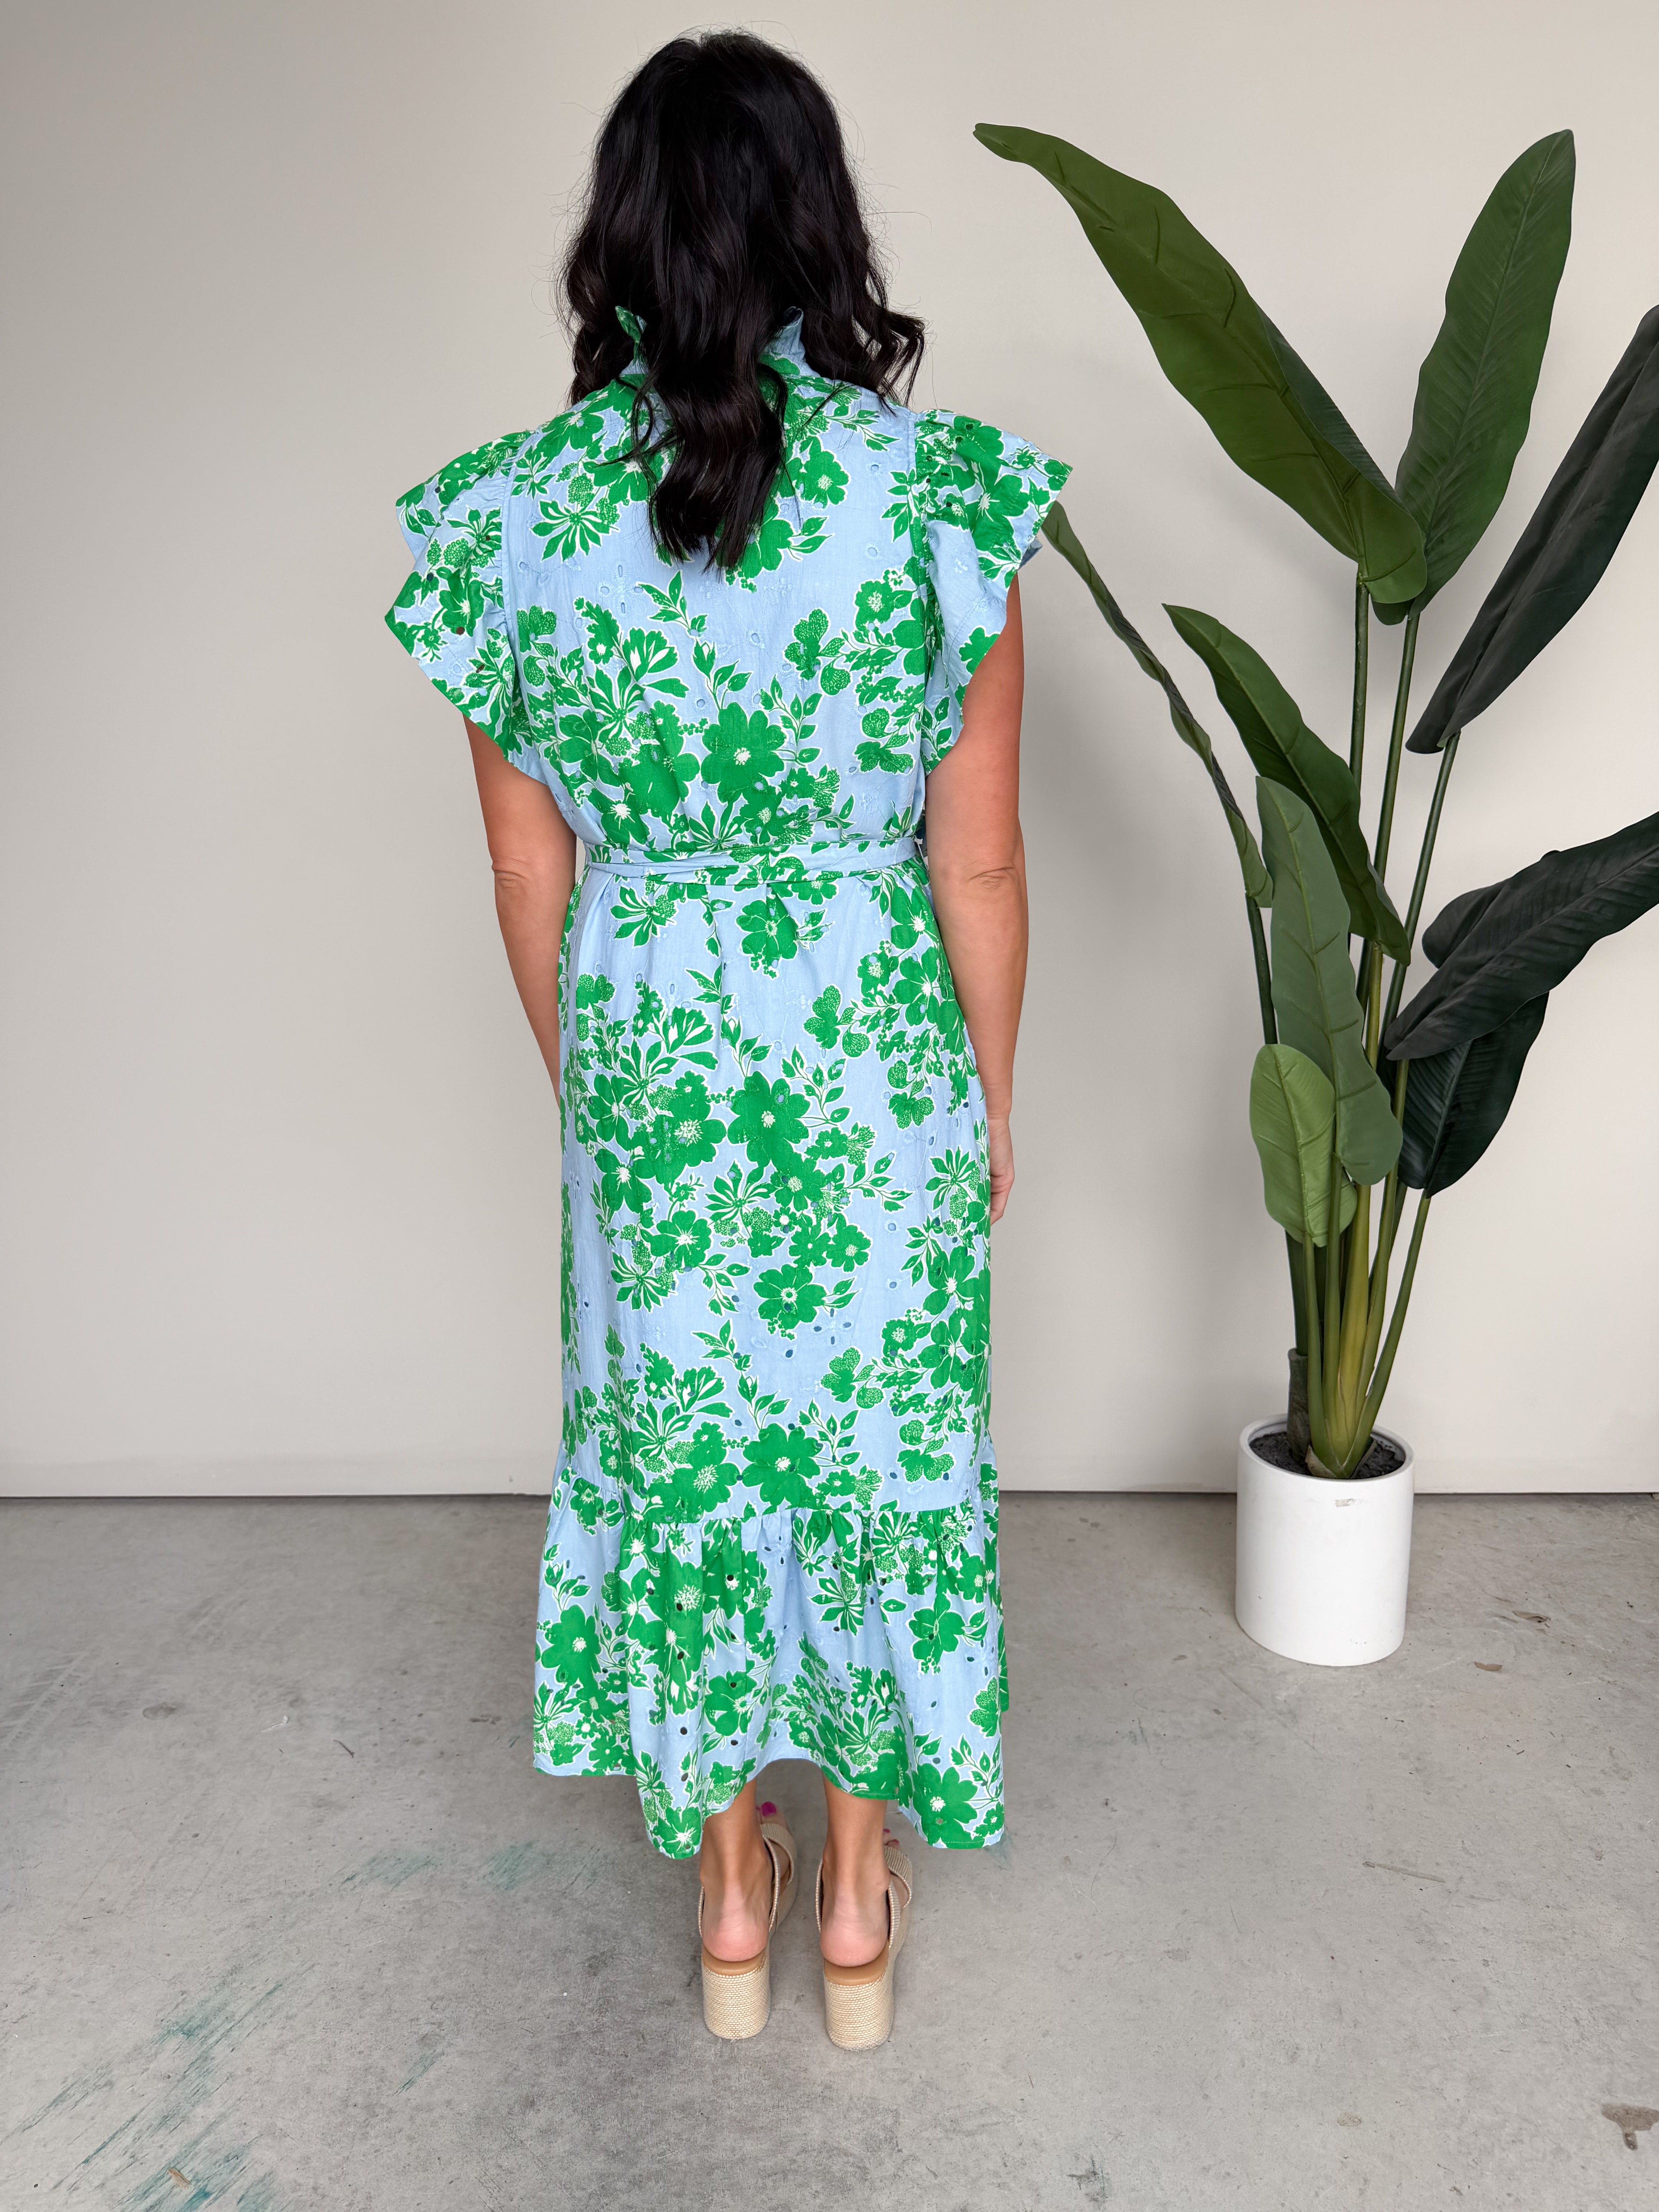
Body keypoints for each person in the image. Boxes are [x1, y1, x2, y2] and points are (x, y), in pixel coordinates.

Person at [386, 29, 1068, 2048]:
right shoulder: (938, 500)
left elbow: (528, 872)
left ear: (617, 238)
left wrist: (598, 1088)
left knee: (678, 1452)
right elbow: (980, 864)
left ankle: (728, 1906)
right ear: (819, 226)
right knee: (877, 1456)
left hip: (650, 1047)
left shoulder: (508, 522)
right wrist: (983, 1101)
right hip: (873, 1048)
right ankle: (856, 1901)